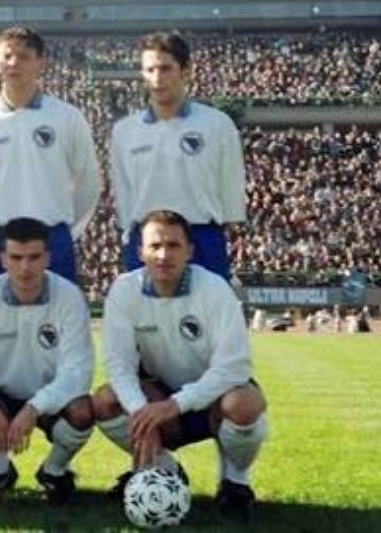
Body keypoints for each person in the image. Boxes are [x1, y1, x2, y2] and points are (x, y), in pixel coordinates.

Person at [93, 209, 267, 520]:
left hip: (213, 402)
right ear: (140, 252)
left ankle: (235, 483)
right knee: (105, 400)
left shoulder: (214, 288)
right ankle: (164, 470)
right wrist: (141, 415)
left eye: (173, 245)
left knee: (244, 402)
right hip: (162, 400)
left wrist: (176, 404)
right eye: (155, 246)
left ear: (189, 251)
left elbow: (234, 367)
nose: (163, 255)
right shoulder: (124, 290)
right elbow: (118, 363)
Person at [0, 217, 95, 504]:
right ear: (3, 259)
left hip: (48, 395)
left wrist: (34, 407)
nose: (25, 267)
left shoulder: (69, 297)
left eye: (34, 257)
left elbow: (78, 372)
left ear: (47, 258)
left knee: (83, 410)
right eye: (16, 258)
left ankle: (54, 472)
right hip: (0, 394)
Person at [0, 26, 100, 287]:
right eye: (7, 56)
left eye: (24, 56)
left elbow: (88, 182)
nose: (14, 63)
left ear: (40, 63)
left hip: (51, 237)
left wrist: (65, 230)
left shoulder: (67, 117)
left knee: (56, 312)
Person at [110, 31, 246, 280]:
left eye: (165, 68)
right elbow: (124, 195)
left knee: (208, 307)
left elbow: (230, 191)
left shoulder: (217, 124)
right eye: (150, 70)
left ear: (185, 71)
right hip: (146, 240)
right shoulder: (125, 131)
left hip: (202, 239)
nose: (157, 78)